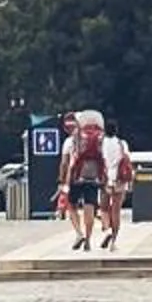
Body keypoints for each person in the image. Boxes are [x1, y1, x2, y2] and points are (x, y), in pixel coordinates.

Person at [63, 107, 109, 251]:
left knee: (71, 205)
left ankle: (79, 233)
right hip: (94, 176)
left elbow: (64, 163)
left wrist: (62, 180)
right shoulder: (100, 139)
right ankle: (88, 240)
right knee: (90, 207)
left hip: (76, 176)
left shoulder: (71, 140)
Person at [97, 120, 134, 249]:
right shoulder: (122, 144)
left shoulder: (101, 144)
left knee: (103, 208)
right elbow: (128, 160)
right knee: (116, 210)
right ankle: (113, 241)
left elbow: (99, 160)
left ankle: (106, 230)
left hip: (106, 178)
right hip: (120, 179)